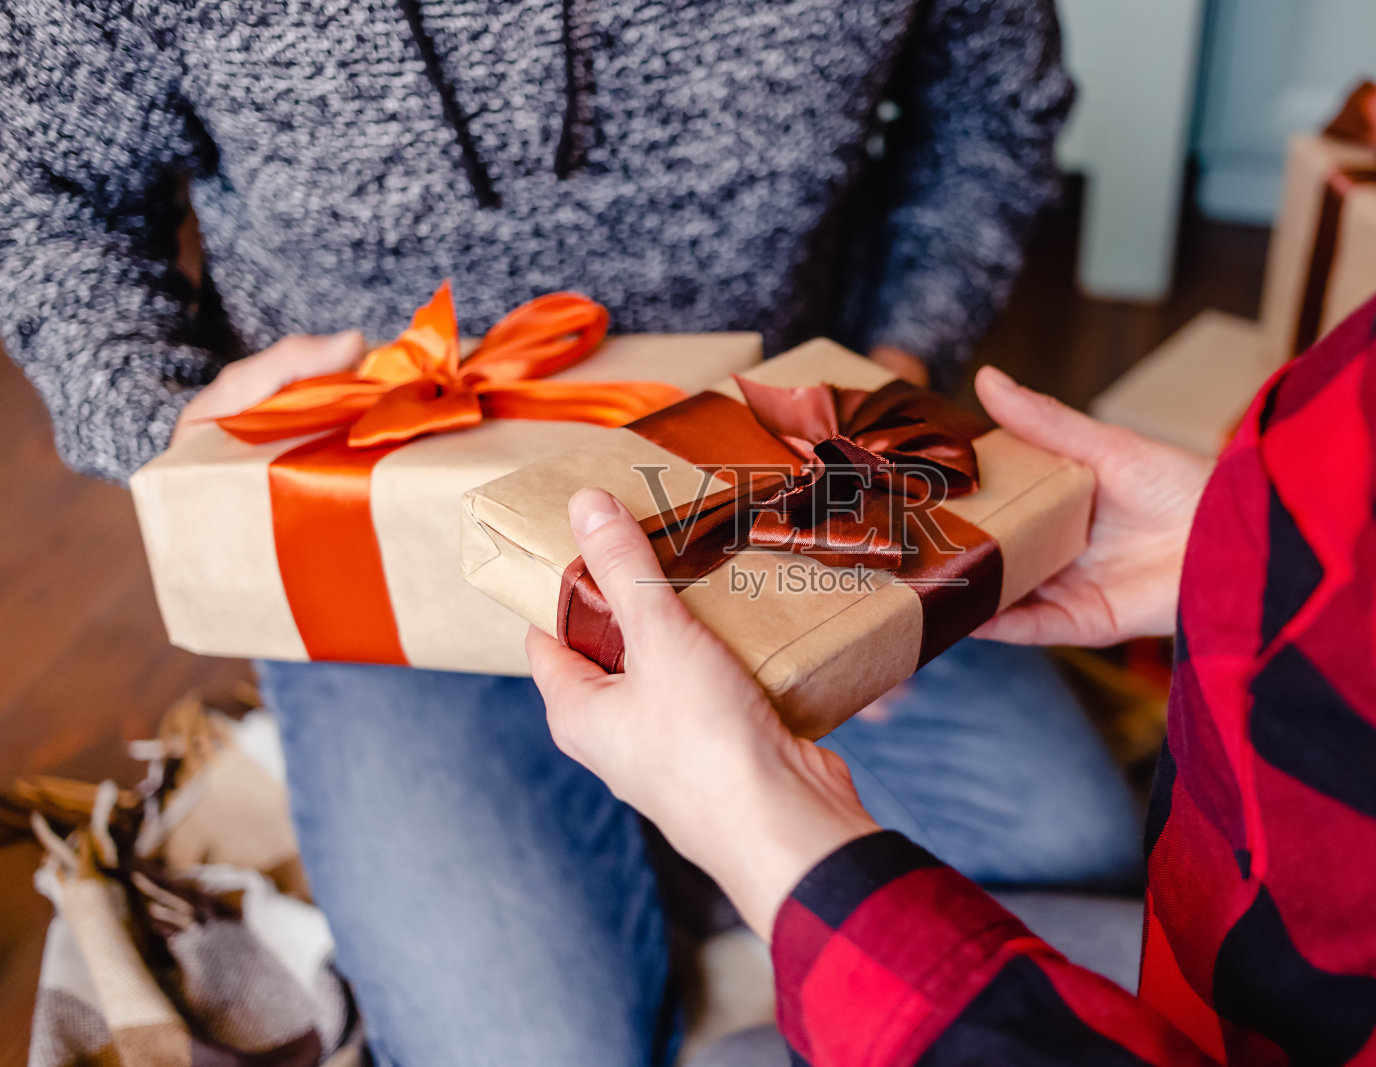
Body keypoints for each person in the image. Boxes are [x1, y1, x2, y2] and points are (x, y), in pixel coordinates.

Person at [0, 2, 1144, 1063]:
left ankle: (672, 836)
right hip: (382, 538)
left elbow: (992, 105)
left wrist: (890, 363)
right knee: (528, 1045)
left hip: (785, 485)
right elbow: (40, 183)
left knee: (1074, 859)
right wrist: (165, 414)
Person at [526, 79, 1376, 1063]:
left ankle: (679, 838)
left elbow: (991, 113)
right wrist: (1230, 547)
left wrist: (763, 826)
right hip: (1282, 896)